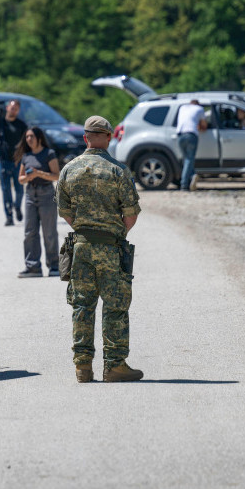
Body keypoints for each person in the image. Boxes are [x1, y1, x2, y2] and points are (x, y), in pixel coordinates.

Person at [57, 115, 142, 383]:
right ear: (108, 137)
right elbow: (130, 214)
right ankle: (114, 366)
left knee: (82, 306)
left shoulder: (69, 169)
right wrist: (115, 233)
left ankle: (83, 367)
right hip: (110, 247)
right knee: (115, 306)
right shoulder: (118, 171)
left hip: (81, 247)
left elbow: (65, 211)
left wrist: (85, 229)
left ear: (85, 138)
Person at [15, 126, 60, 277]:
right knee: (30, 232)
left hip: (46, 193)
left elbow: (56, 176)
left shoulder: (49, 153)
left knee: (49, 232)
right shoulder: (26, 156)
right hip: (30, 194)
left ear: (39, 138)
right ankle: (33, 267)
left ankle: (54, 266)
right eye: (27, 137)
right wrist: (28, 177)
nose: (28, 139)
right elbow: (20, 179)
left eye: (31, 137)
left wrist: (38, 173)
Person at [0, 100, 28, 226]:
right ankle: (9, 216)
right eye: (12, 108)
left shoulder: (21, 125)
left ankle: (17, 206)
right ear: (7, 108)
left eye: (16, 108)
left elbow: (26, 142)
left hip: (18, 161)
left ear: (18, 110)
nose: (13, 110)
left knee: (20, 189)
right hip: (3, 159)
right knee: (6, 190)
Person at [175, 99, 207, 191]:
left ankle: (192, 176)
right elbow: (204, 126)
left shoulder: (182, 108)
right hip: (191, 135)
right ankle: (184, 185)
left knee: (187, 160)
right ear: (197, 104)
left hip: (180, 136)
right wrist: (200, 126)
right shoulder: (199, 109)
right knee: (189, 159)